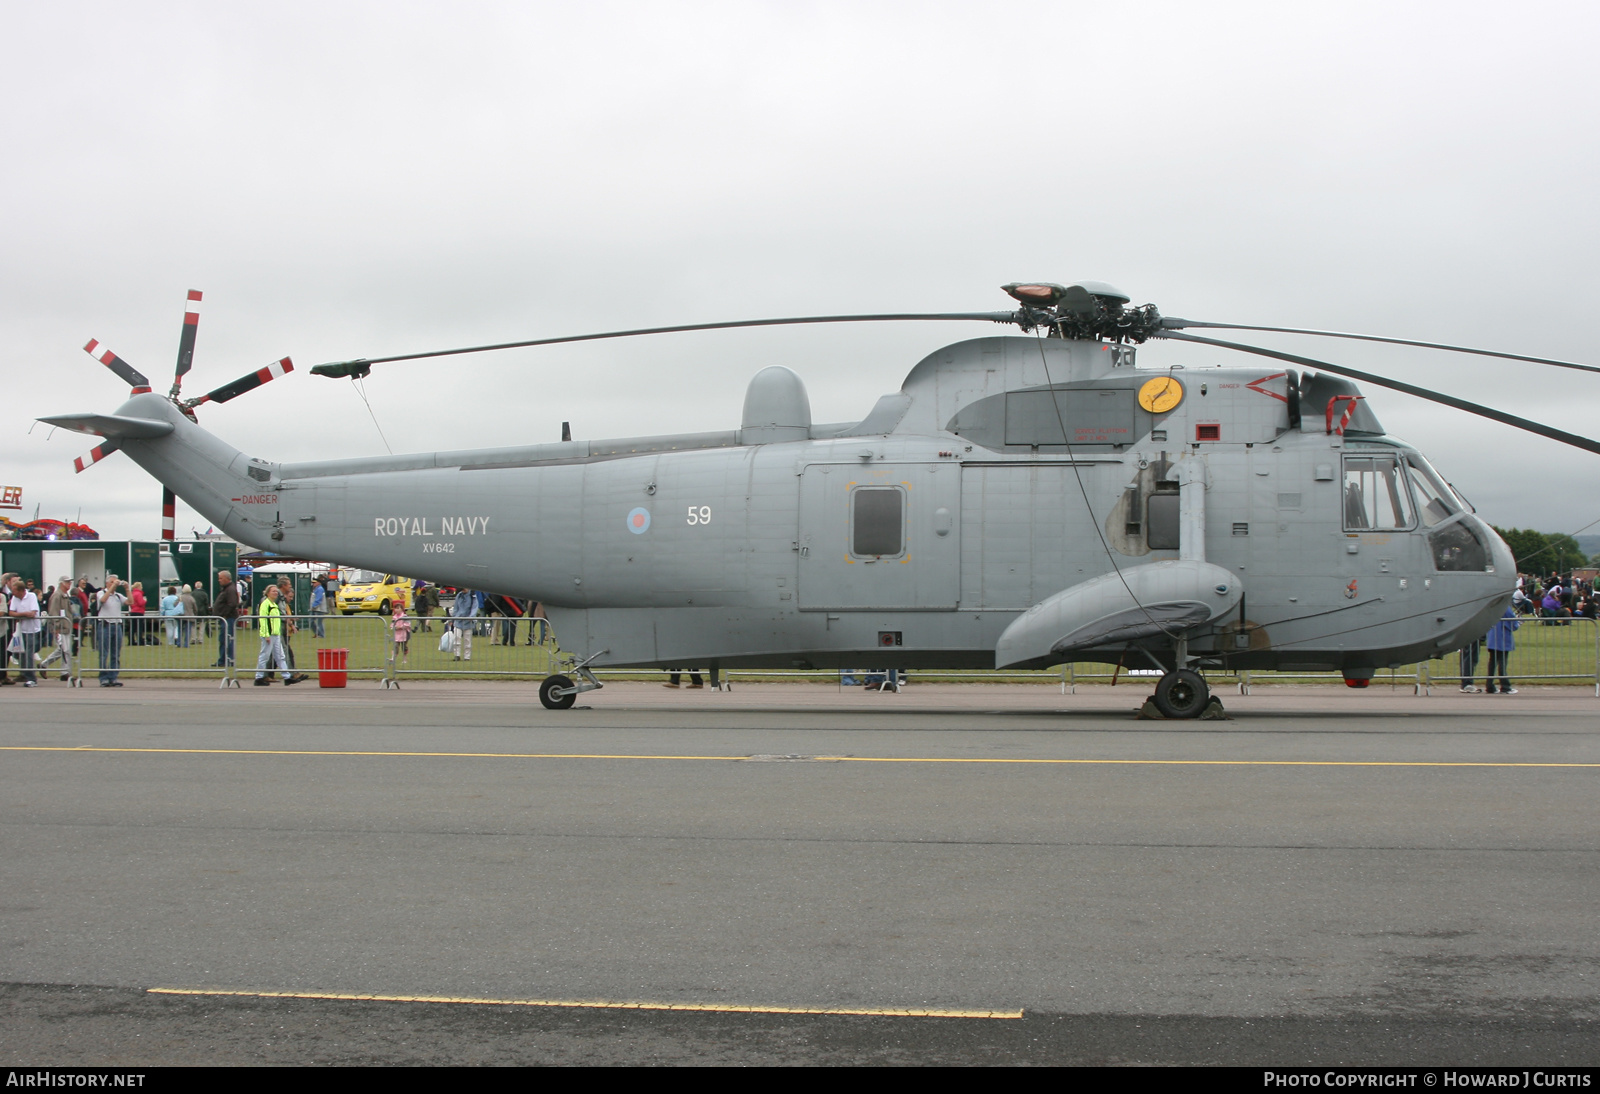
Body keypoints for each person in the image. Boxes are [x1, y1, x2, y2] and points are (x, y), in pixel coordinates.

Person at [254, 585, 306, 686]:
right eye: (273, 591)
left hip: (276, 634)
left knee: (280, 656)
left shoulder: (273, 604)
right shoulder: (265, 604)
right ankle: (259, 677)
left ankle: (287, 677)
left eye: (276, 591)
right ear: (268, 593)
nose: (275, 593)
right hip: (269, 634)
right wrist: (266, 635)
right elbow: (263, 620)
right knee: (264, 655)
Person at [38, 577, 77, 682]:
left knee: (63, 650)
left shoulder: (65, 595)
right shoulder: (57, 595)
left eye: (70, 582)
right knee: (65, 650)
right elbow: (53, 612)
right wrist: (56, 627)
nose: (69, 584)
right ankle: (65, 672)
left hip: (66, 626)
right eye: (67, 582)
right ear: (61, 583)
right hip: (61, 627)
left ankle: (45, 665)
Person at [7, 575, 41, 686]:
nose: (13, 593)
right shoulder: (15, 598)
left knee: (29, 654)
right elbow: (11, 612)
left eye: (14, 591)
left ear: (21, 591)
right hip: (21, 630)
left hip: (32, 630)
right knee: (20, 653)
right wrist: (23, 614)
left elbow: (32, 613)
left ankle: (32, 678)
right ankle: (25, 674)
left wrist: (21, 615)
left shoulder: (31, 596)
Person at [95, 575, 128, 687]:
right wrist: (111, 587)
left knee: (115, 653)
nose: (115, 584)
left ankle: (113, 677)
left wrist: (127, 589)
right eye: (112, 582)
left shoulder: (118, 596)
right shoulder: (101, 593)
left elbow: (130, 602)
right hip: (105, 625)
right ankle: (103, 677)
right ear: (107, 583)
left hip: (117, 625)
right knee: (104, 653)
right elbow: (102, 600)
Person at [1484, 605, 1521, 695]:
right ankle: (1505, 686)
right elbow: (1512, 623)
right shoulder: (1505, 607)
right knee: (1502, 663)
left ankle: (1490, 686)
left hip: (1492, 637)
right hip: (1501, 638)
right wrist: (1517, 623)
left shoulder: (1492, 606)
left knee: (1492, 663)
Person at [213, 570, 240, 667]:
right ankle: (223, 659)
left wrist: (224, 614)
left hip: (228, 619)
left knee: (226, 640)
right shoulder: (226, 589)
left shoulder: (230, 589)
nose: (219, 580)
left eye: (221, 578)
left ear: (227, 578)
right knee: (223, 639)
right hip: (225, 618)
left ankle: (227, 660)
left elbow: (232, 603)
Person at [276, 577, 300, 670]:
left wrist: (291, 623)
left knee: (277, 653)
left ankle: (265, 674)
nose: (290, 586)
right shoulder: (278, 597)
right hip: (278, 628)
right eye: (289, 584)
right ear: (283, 585)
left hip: (283, 629)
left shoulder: (282, 599)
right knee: (285, 652)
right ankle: (291, 673)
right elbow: (280, 613)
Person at [449, 587, 478, 660]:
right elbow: (456, 607)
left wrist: (471, 617)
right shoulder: (459, 595)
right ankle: (457, 655)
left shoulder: (472, 596)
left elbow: (474, 607)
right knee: (457, 638)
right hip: (458, 620)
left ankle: (467, 656)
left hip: (468, 621)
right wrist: (453, 618)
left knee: (467, 640)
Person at [128, 581, 148, 646]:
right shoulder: (139, 594)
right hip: (139, 612)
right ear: (138, 587)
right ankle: (139, 641)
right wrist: (145, 601)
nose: (142, 588)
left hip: (133, 611)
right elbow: (140, 603)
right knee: (139, 627)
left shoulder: (132, 593)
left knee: (132, 628)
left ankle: (131, 641)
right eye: (141, 586)